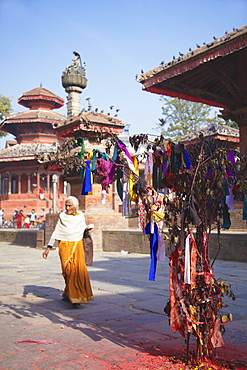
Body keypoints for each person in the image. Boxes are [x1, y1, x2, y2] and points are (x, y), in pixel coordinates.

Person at [42, 196, 94, 308]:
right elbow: (56, 232)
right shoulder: (62, 216)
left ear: (75, 206)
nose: (67, 208)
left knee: (76, 272)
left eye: (69, 205)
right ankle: (68, 292)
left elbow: (82, 229)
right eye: (66, 205)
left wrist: (88, 228)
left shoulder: (80, 216)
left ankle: (76, 298)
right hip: (64, 246)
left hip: (77, 245)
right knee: (67, 271)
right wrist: (48, 248)